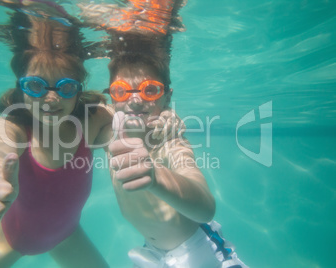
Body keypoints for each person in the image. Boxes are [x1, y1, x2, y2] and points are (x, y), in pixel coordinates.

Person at [0, 8, 112, 267]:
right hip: (13, 239)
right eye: (36, 86)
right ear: (21, 87)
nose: (51, 98)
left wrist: (150, 132)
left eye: (65, 87)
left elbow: (127, 125)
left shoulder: (90, 123)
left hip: (68, 234)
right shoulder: (10, 128)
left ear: (78, 91)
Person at [104, 38, 249, 267]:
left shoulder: (170, 141)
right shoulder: (109, 130)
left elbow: (205, 209)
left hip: (200, 251)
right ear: (111, 97)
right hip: (153, 251)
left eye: (149, 90)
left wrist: (156, 177)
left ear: (167, 96)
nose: (134, 99)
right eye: (121, 90)